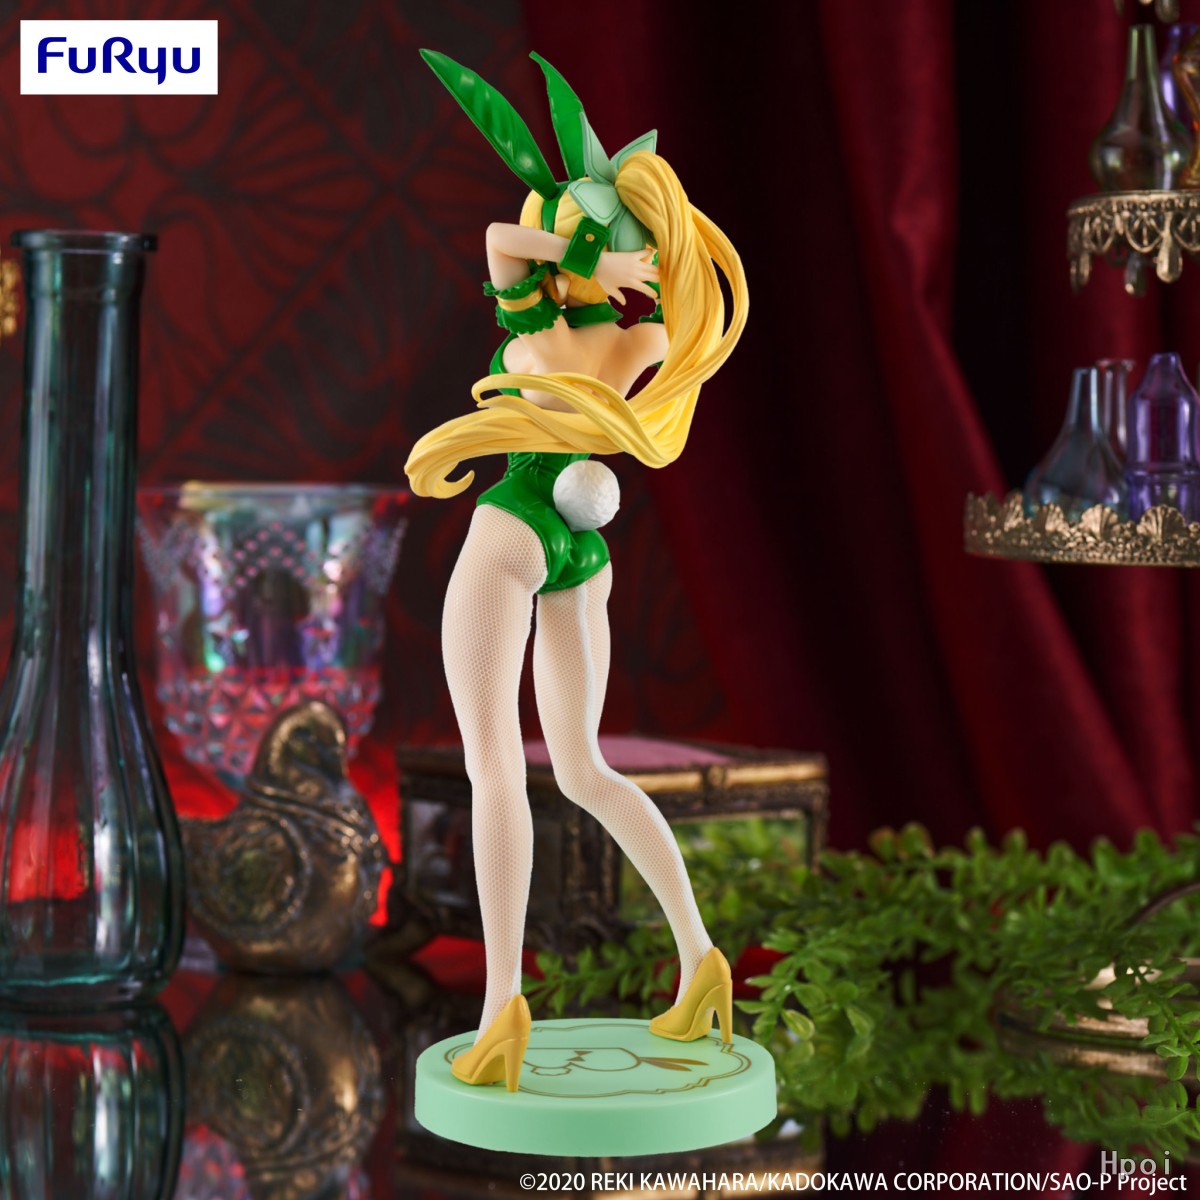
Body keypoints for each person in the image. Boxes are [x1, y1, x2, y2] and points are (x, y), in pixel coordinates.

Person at [405, 50, 748, 1093]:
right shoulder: (638, 345)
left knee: (498, 772)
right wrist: (626, 268)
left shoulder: (544, 326)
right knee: (586, 769)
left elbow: (503, 241)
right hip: (583, 548)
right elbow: (533, 250)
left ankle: (502, 1007)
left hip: (517, 527)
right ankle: (701, 959)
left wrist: (584, 255)